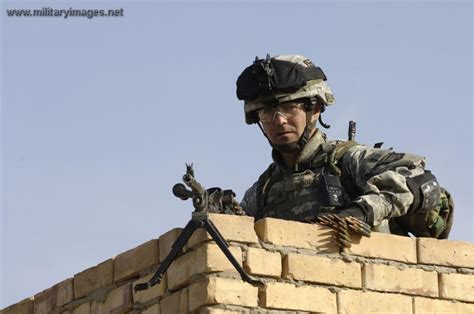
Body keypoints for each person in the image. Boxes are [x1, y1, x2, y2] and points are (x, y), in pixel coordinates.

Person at [236, 54, 453, 238]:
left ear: (316, 109)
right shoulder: (263, 190)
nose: (279, 121)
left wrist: (362, 211)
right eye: (267, 113)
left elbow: (421, 180)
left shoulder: (348, 161)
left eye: (290, 107)